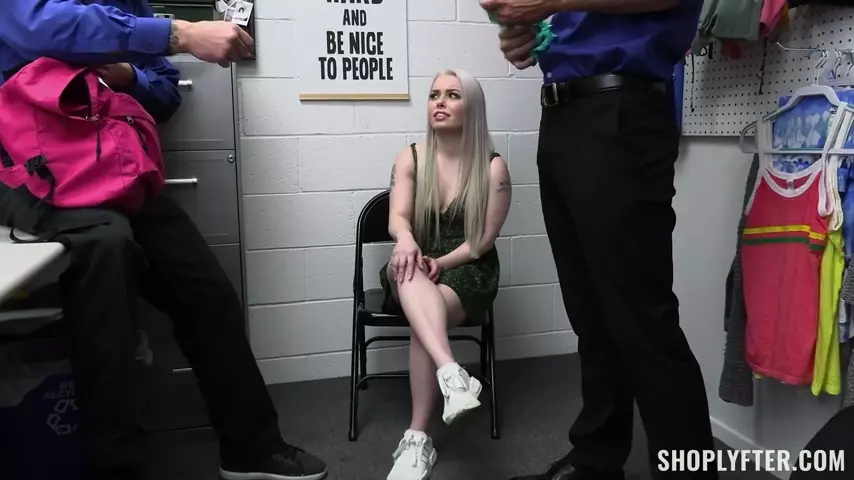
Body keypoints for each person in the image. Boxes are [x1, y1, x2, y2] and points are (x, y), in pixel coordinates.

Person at [0, 2, 327, 480]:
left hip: (111, 172)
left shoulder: (132, 6)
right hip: (33, 172)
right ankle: (117, 468)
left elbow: (166, 92)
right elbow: (35, 27)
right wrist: (180, 33)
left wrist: (129, 75)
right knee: (107, 260)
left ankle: (250, 447)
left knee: (207, 291)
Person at [479, 1, 717, 480]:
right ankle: (596, 461)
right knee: (590, 313)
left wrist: (550, 2)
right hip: (565, 113)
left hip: (620, 111)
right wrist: (530, 33)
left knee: (642, 319)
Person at [380, 69, 512, 480]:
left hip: (467, 267)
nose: (440, 101)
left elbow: (482, 242)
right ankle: (452, 373)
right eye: (434, 94)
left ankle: (418, 438)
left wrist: (444, 263)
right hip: (413, 260)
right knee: (408, 272)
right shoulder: (410, 157)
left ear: (472, 107)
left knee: (425, 321)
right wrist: (406, 241)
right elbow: (397, 218)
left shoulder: (493, 168)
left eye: (453, 95)